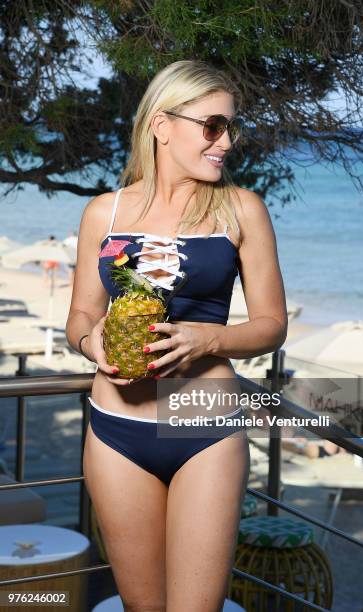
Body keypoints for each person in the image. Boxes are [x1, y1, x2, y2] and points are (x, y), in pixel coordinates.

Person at [65, 60, 287, 611]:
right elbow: (79, 317)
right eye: (213, 126)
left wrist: (206, 340)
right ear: (162, 126)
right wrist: (91, 343)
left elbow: (271, 325)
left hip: (205, 428)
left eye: (231, 127)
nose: (227, 142)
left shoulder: (241, 210)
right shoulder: (104, 213)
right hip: (117, 430)